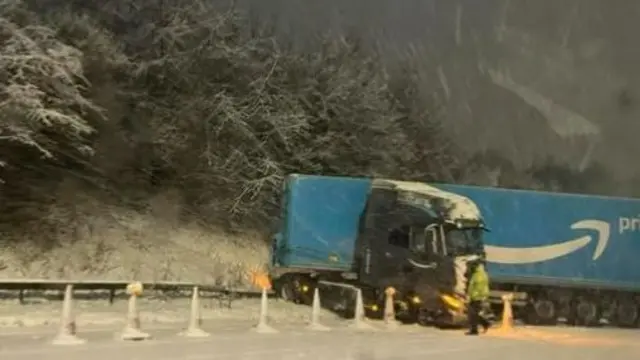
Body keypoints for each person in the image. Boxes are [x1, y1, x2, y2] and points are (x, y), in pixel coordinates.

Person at [466, 260, 491, 335]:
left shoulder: (478, 275)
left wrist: (472, 296)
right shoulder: (480, 273)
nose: (468, 268)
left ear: (475, 266)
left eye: (470, 266)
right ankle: (485, 324)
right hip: (477, 297)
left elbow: (478, 287)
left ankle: (474, 330)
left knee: (472, 314)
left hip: (476, 297)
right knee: (475, 313)